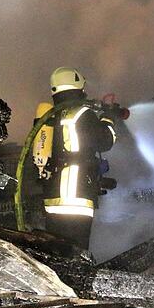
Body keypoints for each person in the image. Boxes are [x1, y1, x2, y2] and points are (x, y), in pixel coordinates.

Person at [32, 67, 117, 249]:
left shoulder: (52, 115)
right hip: (75, 196)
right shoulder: (81, 114)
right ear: (78, 85)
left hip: (53, 197)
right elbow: (104, 141)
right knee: (76, 251)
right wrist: (109, 118)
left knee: (57, 249)